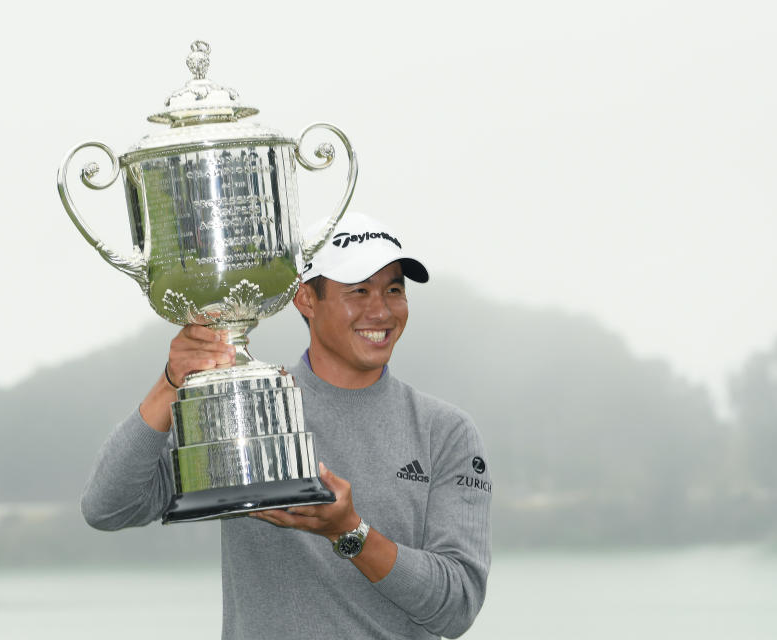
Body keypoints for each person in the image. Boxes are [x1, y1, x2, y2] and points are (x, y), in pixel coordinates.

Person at [81, 212, 492, 639]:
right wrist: (171, 383)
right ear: (305, 299)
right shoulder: (245, 407)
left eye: (393, 289)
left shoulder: (445, 432)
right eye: (359, 291)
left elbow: (458, 605)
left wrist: (350, 532)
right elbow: (108, 507)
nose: (382, 310)